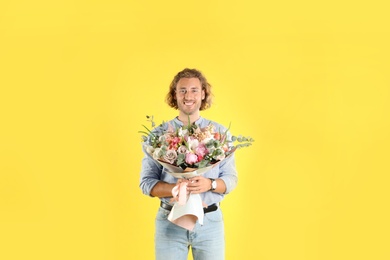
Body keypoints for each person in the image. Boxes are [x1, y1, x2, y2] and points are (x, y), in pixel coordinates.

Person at [139, 68, 238, 260]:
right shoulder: (158, 135)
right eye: (182, 90)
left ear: (203, 94)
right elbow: (146, 184)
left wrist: (210, 184)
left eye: (194, 90)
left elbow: (231, 179)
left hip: (210, 223)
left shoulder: (219, 133)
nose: (188, 95)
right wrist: (174, 189)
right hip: (170, 221)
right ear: (174, 95)